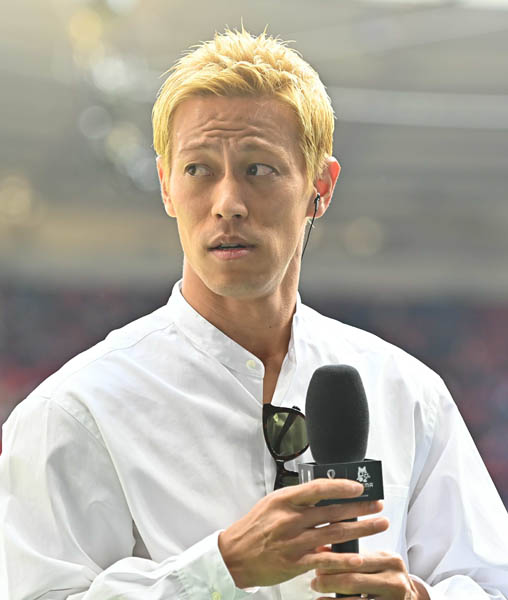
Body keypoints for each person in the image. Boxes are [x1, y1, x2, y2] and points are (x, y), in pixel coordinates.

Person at [0, 27, 507, 600]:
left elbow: (492, 583)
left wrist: (419, 597)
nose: (228, 204)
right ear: (166, 186)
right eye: (198, 170)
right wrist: (221, 570)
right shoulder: (73, 411)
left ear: (320, 186)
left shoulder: (409, 394)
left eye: (258, 169)